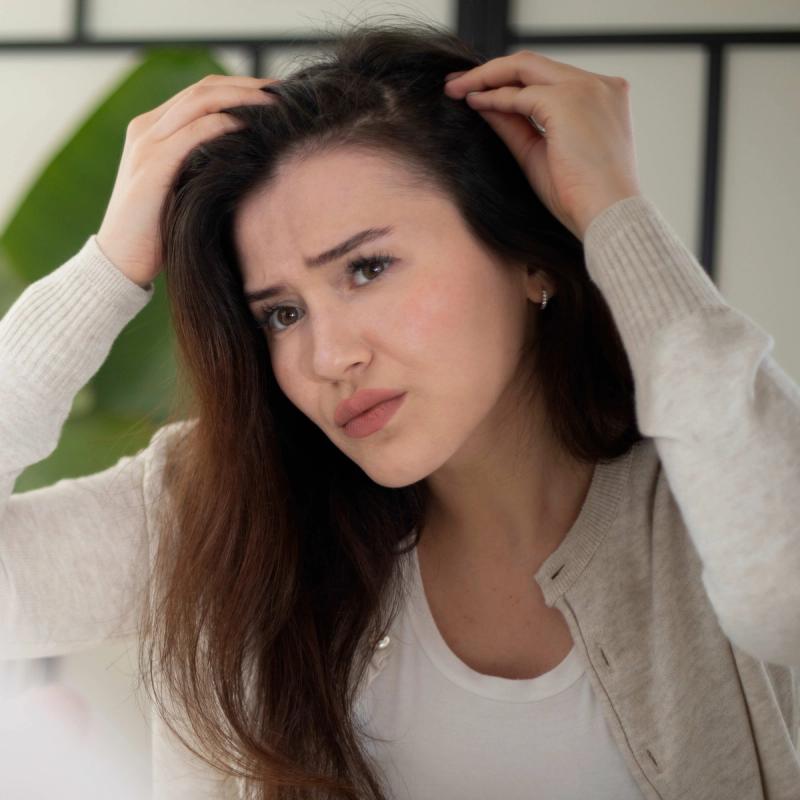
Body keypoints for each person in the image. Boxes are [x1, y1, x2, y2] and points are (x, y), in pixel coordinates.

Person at [2, 17, 799, 800]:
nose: (328, 356)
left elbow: (781, 598)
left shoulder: (712, 482)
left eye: (367, 267)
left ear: (528, 256)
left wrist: (616, 216)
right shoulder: (224, 508)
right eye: (280, 313)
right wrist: (105, 273)